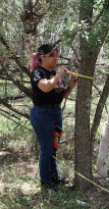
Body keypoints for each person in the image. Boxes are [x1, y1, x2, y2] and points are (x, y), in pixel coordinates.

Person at [29, 44, 77, 191]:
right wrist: (58, 76)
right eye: (53, 55)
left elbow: (61, 95)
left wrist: (71, 86)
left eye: (57, 55)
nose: (56, 58)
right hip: (42, 114)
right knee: (46, 149)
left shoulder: (55, 73)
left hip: (55, 113)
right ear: (43, 57)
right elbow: (45, 87)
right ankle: (46, 182)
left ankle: (54, 178)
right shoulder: (38, 72)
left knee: (54, 148)